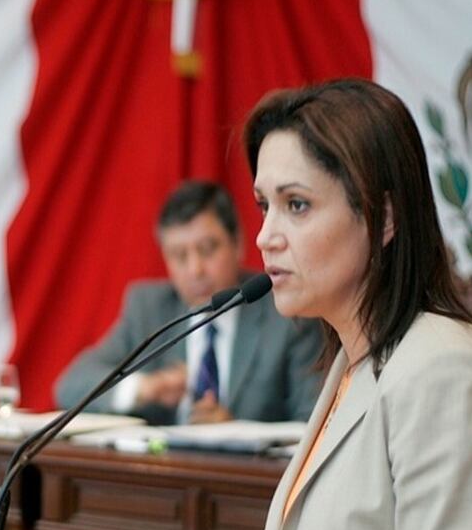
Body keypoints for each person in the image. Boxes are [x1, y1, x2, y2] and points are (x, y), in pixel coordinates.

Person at [116, 79, 472, 530]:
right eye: (265, 205)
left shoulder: (449, 374)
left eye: (297, 205)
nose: (266, 236)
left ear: (383, 219)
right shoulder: (352, 363)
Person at [54, 181, 323, 425]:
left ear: (238, 244)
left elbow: (312, 423)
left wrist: (234, 431)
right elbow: (70, 386)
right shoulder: (148, 309)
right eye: (179, 256)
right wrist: (144, 388)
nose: (195, 269)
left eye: (207, 250)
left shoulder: (288, 313)